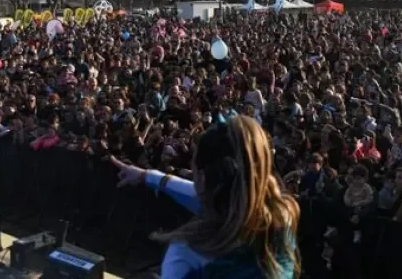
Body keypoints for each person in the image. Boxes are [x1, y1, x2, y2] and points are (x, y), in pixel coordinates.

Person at [111, 114, 299, 279]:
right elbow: (228, 198)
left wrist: (149, 177)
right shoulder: (282, 218)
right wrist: (147, 176)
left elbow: (211, 198)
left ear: (201, 177)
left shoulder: (186, 254)